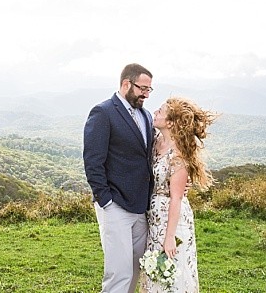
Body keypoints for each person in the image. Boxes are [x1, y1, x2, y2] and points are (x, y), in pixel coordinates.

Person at [84, 63, 156, 293]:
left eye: (149, 89)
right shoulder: (103, 112)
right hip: (115, 205)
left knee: (136, 267)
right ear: (126, 84)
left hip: (140, 207)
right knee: (118, 271)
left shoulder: (146, 116)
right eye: (143, 88)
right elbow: (93, 161)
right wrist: (105, 200)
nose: (146, 93)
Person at [142, 96, 216, 293]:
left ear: (170, 122)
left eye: (160, 111)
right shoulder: (156, 141)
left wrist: (170, 237)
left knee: (174, 272)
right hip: (155, 216)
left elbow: (176, 198)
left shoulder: (178, 156)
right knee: (155, 272)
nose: (155, 113)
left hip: (172, 219)